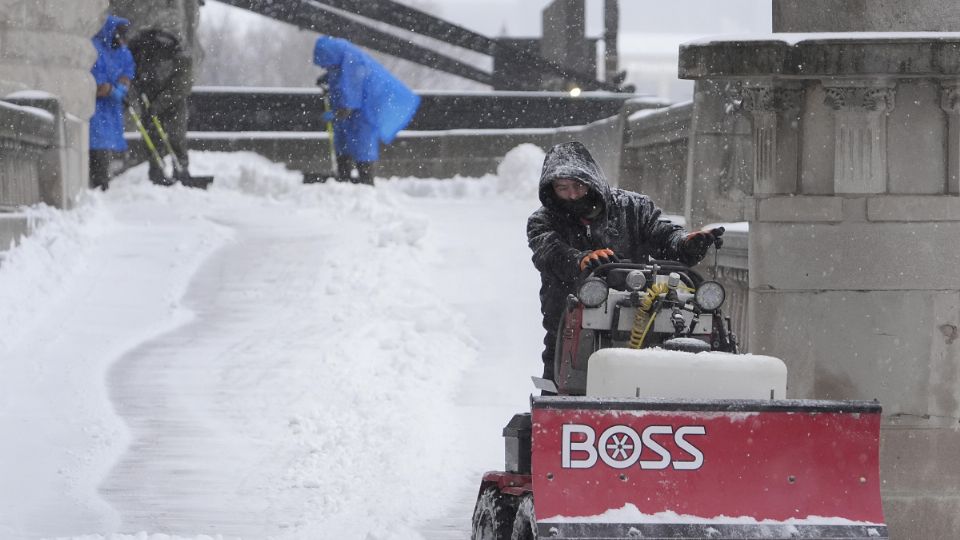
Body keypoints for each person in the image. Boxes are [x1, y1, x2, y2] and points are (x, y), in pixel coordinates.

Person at [527, 141, 724, 387]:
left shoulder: (634, 208)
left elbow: (664, 234)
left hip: (639, 316)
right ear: (551, 189)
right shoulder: (542, 221)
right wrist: (580, 261)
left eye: (578, 185)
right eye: (563, 188)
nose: (573, 194)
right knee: (563, 386)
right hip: (568, 325)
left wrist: (685, 244)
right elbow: (549, 251)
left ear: (592, 180)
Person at [312, 36, 420, 185]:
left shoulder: (353, 63)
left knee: (362, 148)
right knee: (343, 146)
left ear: (330, 56)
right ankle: (345, 181)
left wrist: (334, 115)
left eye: (326, 65)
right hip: (353, 118)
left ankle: (366, 184)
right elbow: (339, 79)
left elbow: (349, 101)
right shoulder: (341, 59)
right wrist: (327, 78)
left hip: (363, 115)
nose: (326, 68)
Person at [127, 29, 195, 185]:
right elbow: (132, 73)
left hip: (170, 102)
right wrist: (138, 90)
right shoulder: (143, 50)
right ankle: (157, 171)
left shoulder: (181, 58)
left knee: (175, 136)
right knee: (153, 136)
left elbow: (180, 87)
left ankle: (181, 171)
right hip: (150, 99)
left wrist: (157, 105)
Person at [89, 14, 135, 191]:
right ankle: (99, 182)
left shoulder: (124, 53)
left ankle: (103, 180)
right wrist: (109, 90)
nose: (122, 40)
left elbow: (127, 74)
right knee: (97, 144)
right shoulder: (95, 49)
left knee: (107, 144)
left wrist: (121, 89)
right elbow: (96, 83)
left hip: (112, 109)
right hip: (97, 109)